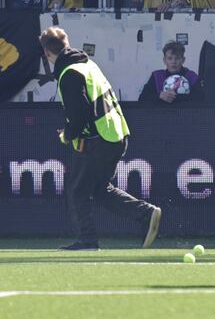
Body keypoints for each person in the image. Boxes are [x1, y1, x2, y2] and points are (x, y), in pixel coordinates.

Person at [41, 26, 163, 250]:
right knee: (99, 189)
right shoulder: (87, 64)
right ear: (67, 43)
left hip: (99, 139)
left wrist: (67, 135)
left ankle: (87, 241)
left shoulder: (69, 74)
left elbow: (79, 116)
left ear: (48, 54)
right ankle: (146, 213)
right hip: (116, 133)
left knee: (78, 191)